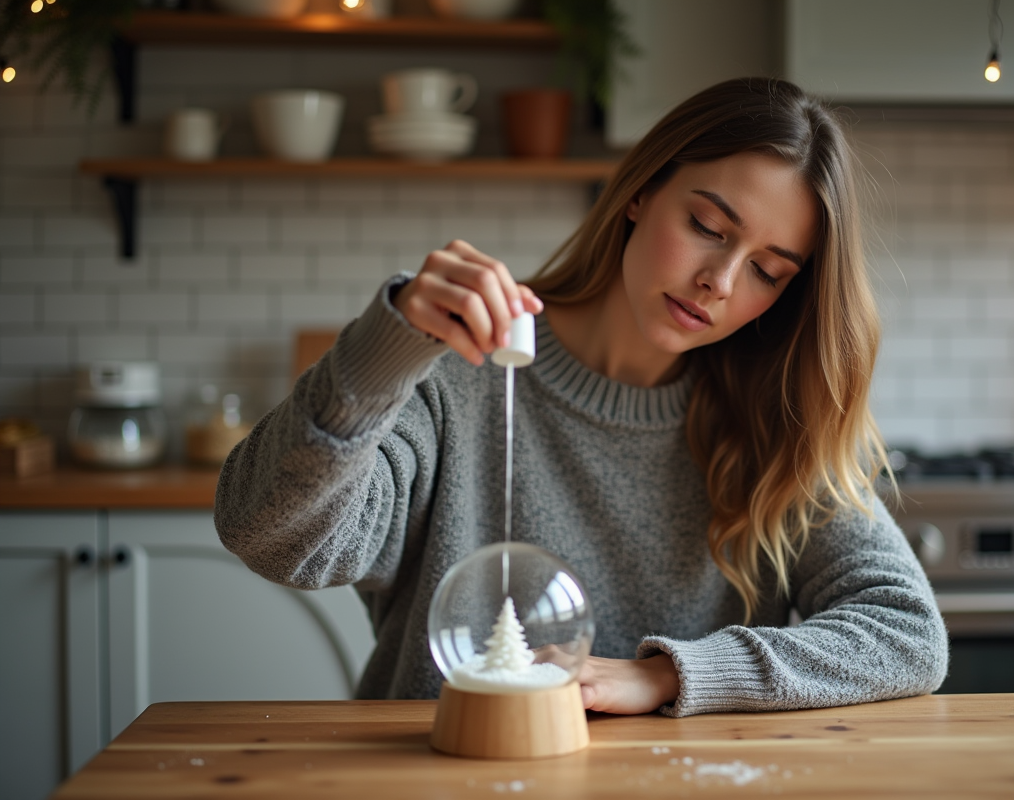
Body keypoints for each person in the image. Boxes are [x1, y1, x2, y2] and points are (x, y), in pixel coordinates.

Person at [215, 77, 948, 717]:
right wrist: (382, 356)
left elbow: (907, 633)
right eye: (707, 227)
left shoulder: (771, 423)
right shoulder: (454, 372)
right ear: (639, 191)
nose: (720, 281)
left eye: (768, 270)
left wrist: (667, 675)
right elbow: (266, 537)